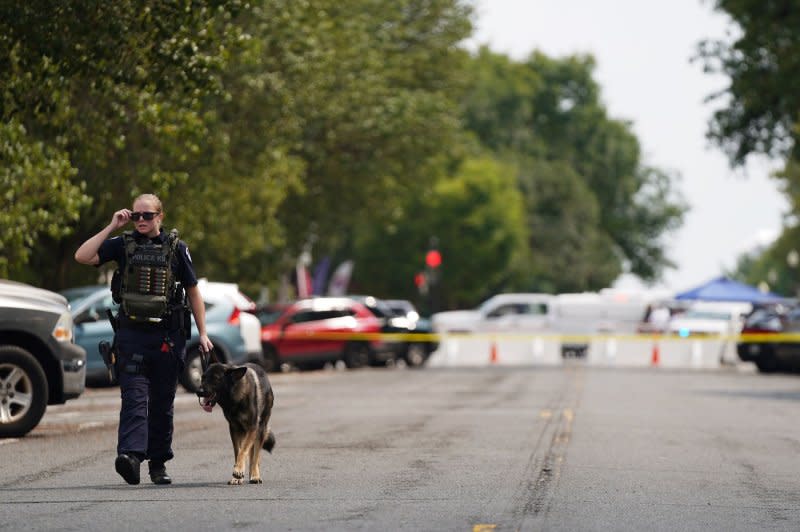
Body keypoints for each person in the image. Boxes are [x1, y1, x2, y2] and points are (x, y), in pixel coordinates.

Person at [75, 193, 213, 485]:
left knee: (162, 402)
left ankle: (158, 463)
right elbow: (83, 256)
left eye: (146, 216)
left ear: (160, 217)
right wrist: (111, 226)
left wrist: (203, 333)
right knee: (134, 398)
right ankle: (131, 457)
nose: (140, 220)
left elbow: (193, 290)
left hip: (167, 338)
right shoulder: (122, 245)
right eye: (136, 215)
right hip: (132, 336)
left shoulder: (177, 249)